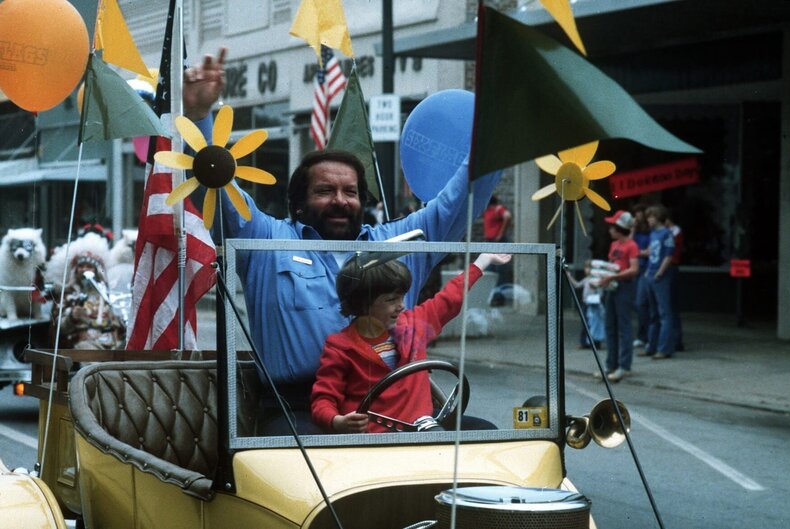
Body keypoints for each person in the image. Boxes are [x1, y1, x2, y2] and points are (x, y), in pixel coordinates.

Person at [183, 49, 502, 432]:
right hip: (299, 410)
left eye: (350, 191)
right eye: (324, 191)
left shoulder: (400, 241)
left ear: (362, 201)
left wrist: (492, 136)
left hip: (394, 404)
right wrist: (199, 117)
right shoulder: (266, 239)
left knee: (485, 435)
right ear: (298, 202)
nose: (339, 200)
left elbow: (458, 202)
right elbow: (218, 188)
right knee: (305, 463)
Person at [311, 253, 511, 433]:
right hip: (375, 440)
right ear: (363, 303)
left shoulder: (414, 325)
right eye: (392, 300)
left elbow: (450, 298)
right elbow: (324, 399)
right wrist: (337, 421)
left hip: (424, 428)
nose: (401, 306)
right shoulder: (340, 347)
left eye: (402, 297)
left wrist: (482, 261)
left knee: (486, 431)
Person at [46, 233, 125, 350]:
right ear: (75, 270)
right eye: (81, 266)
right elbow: (58, 329)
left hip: (112, 343)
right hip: (84, 346)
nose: (84, 270)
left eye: (89, 266)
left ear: (97, 271)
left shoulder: (108, 294)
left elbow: (121, 322)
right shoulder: (68, 295)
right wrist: (72, 317)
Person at [597, 211, 639, 382]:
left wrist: (613, 277)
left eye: (613, 226)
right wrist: (601, 277)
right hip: (612, 286)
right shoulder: (614, 245)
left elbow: (634, 269)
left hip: (624, 287)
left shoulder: (631, 246)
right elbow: (611, 265)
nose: (610, 229)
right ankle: (611, 365)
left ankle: (624, 366)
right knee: (610, 326)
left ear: (620, 228)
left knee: (624, 327)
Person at [640, 204, 675, 360]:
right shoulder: (653, 233)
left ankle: (664, 348)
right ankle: (651, 346)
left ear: (658, 217)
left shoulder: (667, 233)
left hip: (659, 276)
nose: (648, 220)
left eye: (651, 217)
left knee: (664, 313)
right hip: (650, 274)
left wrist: (660, 272)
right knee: (653, 313)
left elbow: (668, 255)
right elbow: (650, 252)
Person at [566, 260, 605, 350]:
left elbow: (601, 293)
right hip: (585, 304)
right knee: (585, 323)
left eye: (589, 268)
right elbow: (577, 285)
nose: (587, 270)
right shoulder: (586, 279)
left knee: (595, 323)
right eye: (586, 268)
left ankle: (596, 343)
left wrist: (595, 289)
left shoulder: (597, 280)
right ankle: (584, 343)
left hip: (594, 305)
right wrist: (569, 277)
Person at [631, 204, 651, 349]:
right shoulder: (635, 230)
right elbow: (629, 244)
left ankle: (647, 336)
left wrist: (636, 252)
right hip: (636, 268)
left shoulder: (651, 232)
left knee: (642, 303)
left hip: (646, 268)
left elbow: (649, 251)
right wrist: (633, 228)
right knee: (637, 304)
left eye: (640, 215)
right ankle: (642, 336)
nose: (638, 218)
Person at [665, 214, 684, 351]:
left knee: (671, 306)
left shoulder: (674, 232)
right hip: (668, 267)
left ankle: (676, 340)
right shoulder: (669, 232)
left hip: (671, 267)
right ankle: (673, 339)